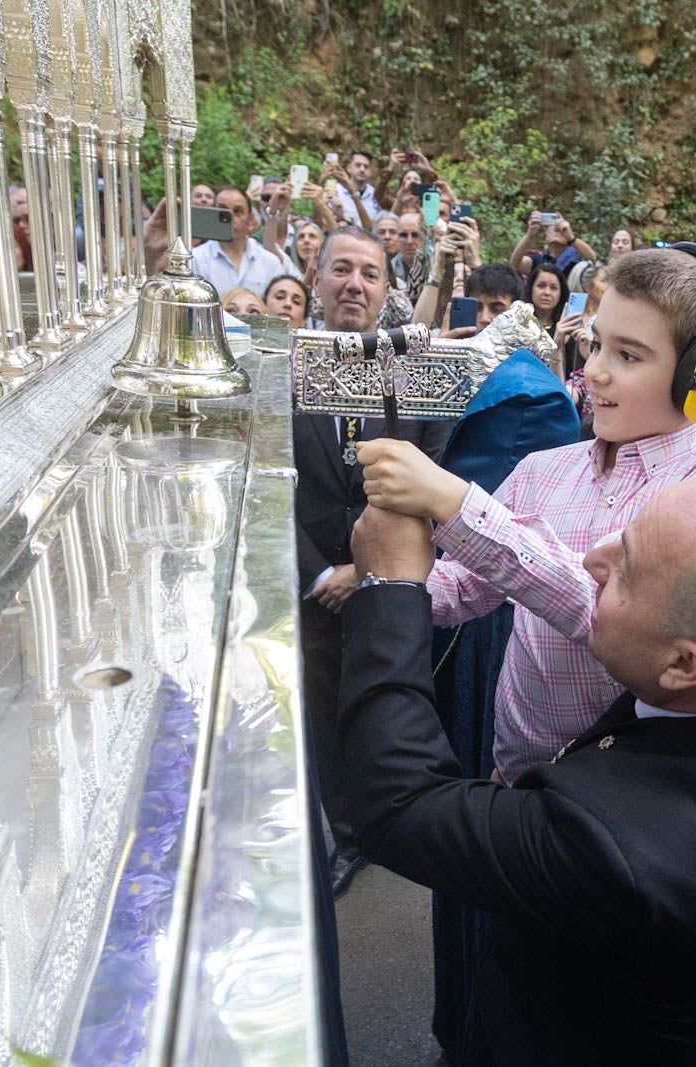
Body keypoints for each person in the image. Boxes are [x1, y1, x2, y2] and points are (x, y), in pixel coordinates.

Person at [338, 480, 696, 1066]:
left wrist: (390, 586)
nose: (592, 560)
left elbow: (396, 806)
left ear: (684, 664)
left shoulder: (621, 845)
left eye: (626, 567)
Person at [355, 245, 696, 786]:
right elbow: (464, 591)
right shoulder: (543, 470)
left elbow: (613, 621)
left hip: (625, 797)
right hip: (513, 777)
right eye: (595, 345)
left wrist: (455, 504)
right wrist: (391, 572)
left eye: (628, 356)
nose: (594, 371)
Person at [291, 225, 454, 898]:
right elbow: (272, 483)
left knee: (395, 706)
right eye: (341, 270)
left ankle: (405, 826)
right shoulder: (285, 373)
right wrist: (320, 574)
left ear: (388, 290)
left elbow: (441, 477)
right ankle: (347, 837)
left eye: (369, 273)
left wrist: (377, 570)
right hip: (316, 590)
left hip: (395, 587)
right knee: (328, 720)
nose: (354, 284)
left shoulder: (414, 380)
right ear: (317, 279)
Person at [190, 185, 299, 299]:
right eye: (222, 211)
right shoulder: (196, 259)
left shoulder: (270, 262)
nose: (230, 218)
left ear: (250, 220)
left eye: (237, 212)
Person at [510, 211, 598, 275]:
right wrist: (529, 234)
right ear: (546, 236)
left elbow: (592, 258)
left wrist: (571, 237)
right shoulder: (539, 260)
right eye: (552, 227)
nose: (556, 229)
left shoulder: (576, 256)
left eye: (560, 228)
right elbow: (515, 263)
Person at [391, 210, 428, 292]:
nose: (409, 241)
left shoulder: (434, 267)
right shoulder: (390, 268)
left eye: (415, 235)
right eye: (403, 235)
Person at [525, 261, 567, 331]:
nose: (547, 293)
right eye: (541, 286)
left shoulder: (567, 326)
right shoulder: (518, 323)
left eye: (553, 288)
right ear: (531, 288)